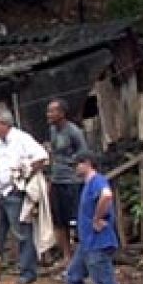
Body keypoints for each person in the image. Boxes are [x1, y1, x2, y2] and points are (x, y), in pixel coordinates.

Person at [66, 153, 123, 284]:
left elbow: (106, 196)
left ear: (87, 163)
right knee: (73, 276)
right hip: (87, 244)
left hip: (98, 243)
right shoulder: (88, 185)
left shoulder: (97, 180)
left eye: (77, 164)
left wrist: (98, 218)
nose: (75, 168)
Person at [0, 106, 48, 284]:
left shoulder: (21, 138)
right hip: (1, 191)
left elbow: (42, 156)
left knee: (22, 233)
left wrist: (23, 177)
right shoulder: (0, 142)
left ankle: (28, 271)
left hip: (14, 192)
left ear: (5, 124)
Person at [45, 100, 88, 262]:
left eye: (52, 111)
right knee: (59, 220)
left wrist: (69, 162)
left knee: (75, 219)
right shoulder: (52, 131)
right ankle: (66, 256)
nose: (48, 115)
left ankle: (81, 255)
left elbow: (83, 153)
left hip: (72, 181)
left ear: (62, 113)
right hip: (56, 180)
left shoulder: (74, 132)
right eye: (48, 111)